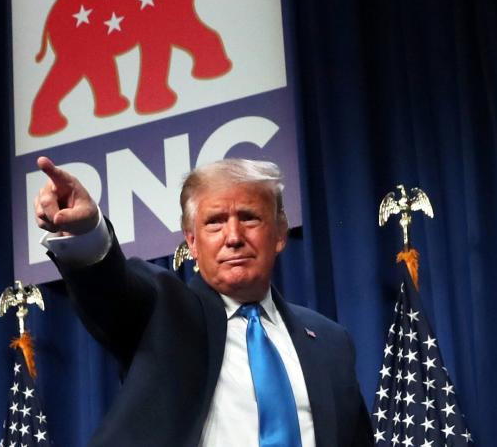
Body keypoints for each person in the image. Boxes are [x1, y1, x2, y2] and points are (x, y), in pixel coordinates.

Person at [33, 156, 373, 447]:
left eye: (249, 217)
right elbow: (112, 290)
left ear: (280, 233)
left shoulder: (330, 342)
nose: (234, 237)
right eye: (215, 222)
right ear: (192, 242)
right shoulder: (164, 310)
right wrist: (88, 231)